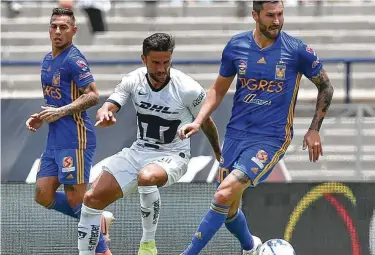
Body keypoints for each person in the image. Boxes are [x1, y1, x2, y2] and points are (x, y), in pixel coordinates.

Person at [178, 1, 334, 254]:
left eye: (280, 14)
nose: (277, 21)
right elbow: (218, 89)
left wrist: (314, 127)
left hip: (271, 138)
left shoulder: (297, 50)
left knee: (222, 194)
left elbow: (326, 86)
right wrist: (198, 121)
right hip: (236, 134)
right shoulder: (236, 45)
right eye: (270, 15)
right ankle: (251, 247)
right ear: (255, 15)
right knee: (228, 208)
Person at [77, 32, 222, 255]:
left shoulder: (187, 88)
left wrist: (218, 154)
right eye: (155, 62)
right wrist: (106, 114)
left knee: (147, 176)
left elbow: (207, 122)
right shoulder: (133, 80)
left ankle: (147, 246)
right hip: (139, 150)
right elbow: (110, 105)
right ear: (144, 59)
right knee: (90, 199)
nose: (162, 68)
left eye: (166, 62)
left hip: (173, 155)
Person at [25, 8, 113, 255]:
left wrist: (61, 111)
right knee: (43, 195)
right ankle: (99, 218)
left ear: (74, 31)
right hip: (54, 137)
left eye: (64, 27)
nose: (58, 31)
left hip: (76, 138)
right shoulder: (47, 59)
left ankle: (102, 249)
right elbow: (56, 100)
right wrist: (42, 116)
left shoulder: (75, 60)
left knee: (76, 199)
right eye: (54, 26)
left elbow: (93, 95)